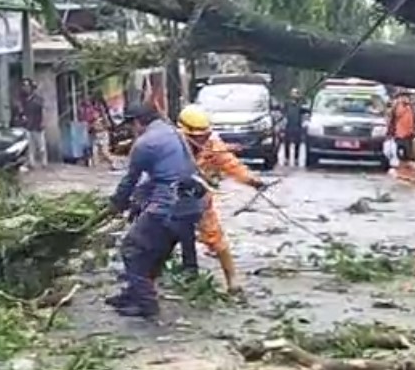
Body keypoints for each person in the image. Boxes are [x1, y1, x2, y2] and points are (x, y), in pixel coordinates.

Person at [106, 104, 206, 317]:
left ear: (137, 123)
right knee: (153, 253)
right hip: (193, 206)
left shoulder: (145, 143)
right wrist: (137, 201)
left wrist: (115, 203)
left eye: (132, 126)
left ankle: (146, 304)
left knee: (131, 248)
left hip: (168, 208)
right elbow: (168, 174)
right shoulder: (174, 133)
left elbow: (129, 180)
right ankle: (133, 294)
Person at [176, 105, 270, 294]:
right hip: (170, 198)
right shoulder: (171, 143)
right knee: (161, 236)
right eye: (195, 137)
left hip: (200, 198)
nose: (200, 140)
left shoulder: (214, 146)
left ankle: (232, 281)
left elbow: (231, 164)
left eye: (203, 135)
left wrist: (252, 180)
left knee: (215, 237)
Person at [388, 92, 415, 183]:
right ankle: (410, 173)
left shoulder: (409, 107)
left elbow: (413, 121)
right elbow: (395, 115)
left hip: (408, 135)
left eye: (407, 97)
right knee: (402, 156)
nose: (407, 99)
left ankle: (413, 173)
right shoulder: (399, 107)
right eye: (405, 97)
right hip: (400, 135)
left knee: (407, 156)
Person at [17, 79, 47, 168]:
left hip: (38, 125)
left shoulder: (38, 99)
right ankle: (32, 163)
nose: (25, 88)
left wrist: (43, 121)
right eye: (24, 86)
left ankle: (43, 162)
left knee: (41, 146)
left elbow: (43, 110)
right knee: (30, 147)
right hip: (27, 126)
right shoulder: (23, 100)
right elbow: (21, 112)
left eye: (27, 86)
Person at [282, 88, 307, 167]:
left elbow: (305, 112)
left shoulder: (301, 104)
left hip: (297, 126)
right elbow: (283, 113)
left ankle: (296, 159)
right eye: (293, 93)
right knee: (287, 143)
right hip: (288, 126)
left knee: (297, 143)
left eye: (296, 93)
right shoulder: (287, 103)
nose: (294, 95)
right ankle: (287, 158)